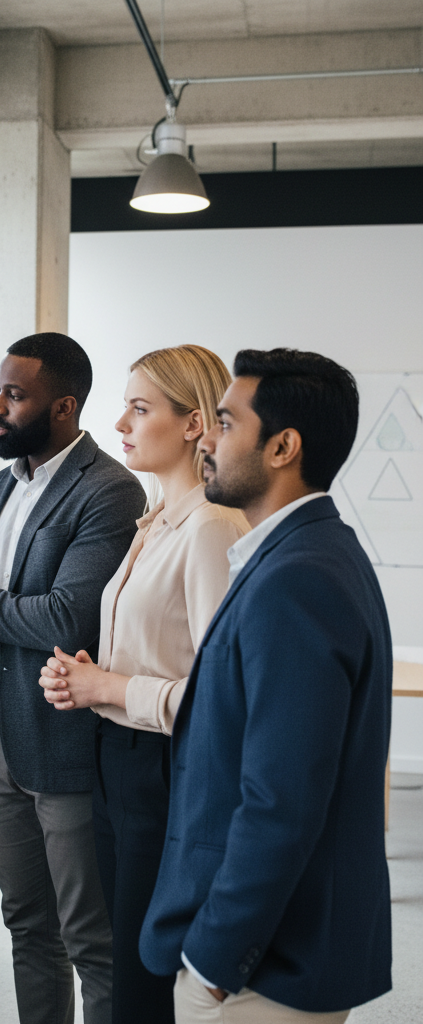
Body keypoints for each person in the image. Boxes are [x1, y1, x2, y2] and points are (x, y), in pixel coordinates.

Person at [139, 349, 392, 1023]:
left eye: (224, 422)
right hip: (274, 953)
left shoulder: (297, 579)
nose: (208, 440)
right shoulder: (303, 554)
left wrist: (215, 962)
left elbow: (281, 801)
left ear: (283, 446)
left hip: (264, 969)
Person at [0, 334, 147, 1024]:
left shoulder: (109, 489)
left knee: (90, 939)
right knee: (26, 924)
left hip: (63, 743)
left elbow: (66, 618)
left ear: (65, 407)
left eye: (15, 395)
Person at [38, 345, 249, 1024]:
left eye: (140, 407)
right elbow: (148, 652)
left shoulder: (212, 526)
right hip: (119, 761)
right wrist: (82, 679)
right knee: (126, 957)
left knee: (144, 977)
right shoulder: (155, 520)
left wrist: (107, 687)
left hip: (163, 770)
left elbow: (224, 700)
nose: (121, 422)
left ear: (194, 424)